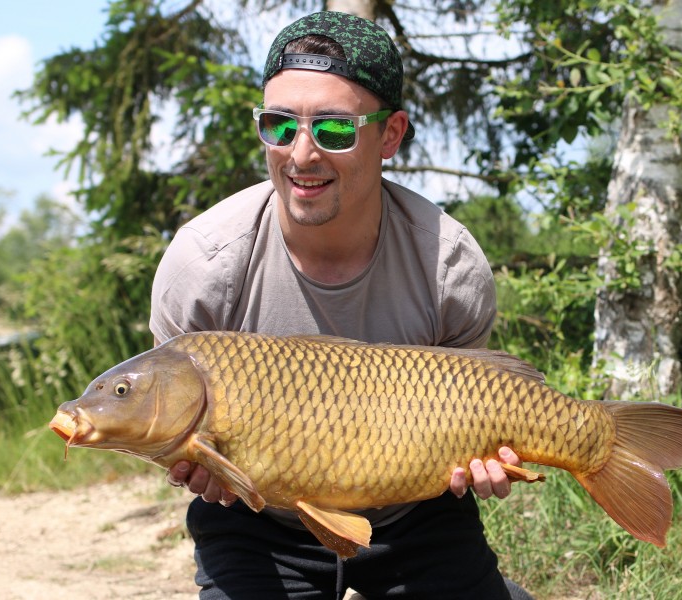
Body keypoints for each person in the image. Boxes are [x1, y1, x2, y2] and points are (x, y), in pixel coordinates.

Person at [150, 11, 531, 600]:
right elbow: (172, 423)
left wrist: (483, 460)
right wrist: (202, 466)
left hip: (414, 516)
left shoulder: (448, 266)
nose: (301, 155)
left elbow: (473, 406)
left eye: (333, 130)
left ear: (392, 135)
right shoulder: (202, 265)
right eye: (279, 125)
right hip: (258, 524)